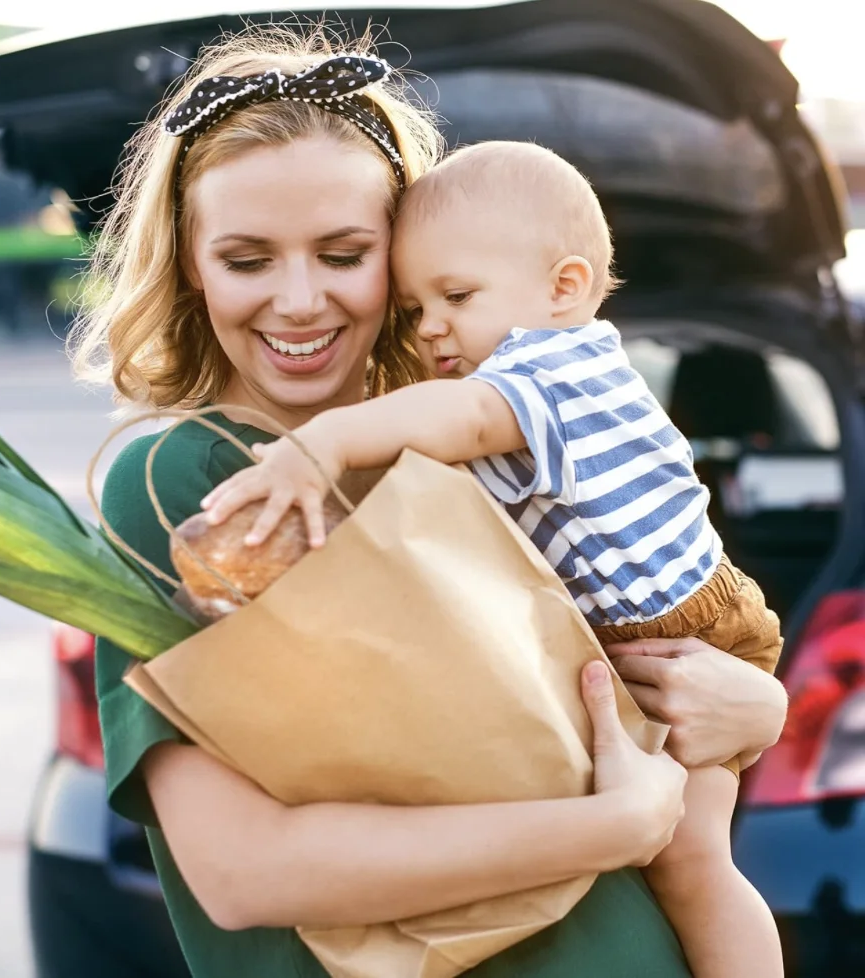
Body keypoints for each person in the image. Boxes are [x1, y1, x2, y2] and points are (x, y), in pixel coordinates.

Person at [72, 26, 788, 978]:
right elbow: (244, 872)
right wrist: (615, 824)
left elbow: (602, 681)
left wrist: (757, 707)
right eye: (248, 259)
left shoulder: (458, 452)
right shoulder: (186, 482)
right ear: (192, 268)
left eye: (344, 252)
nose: (298, 300)